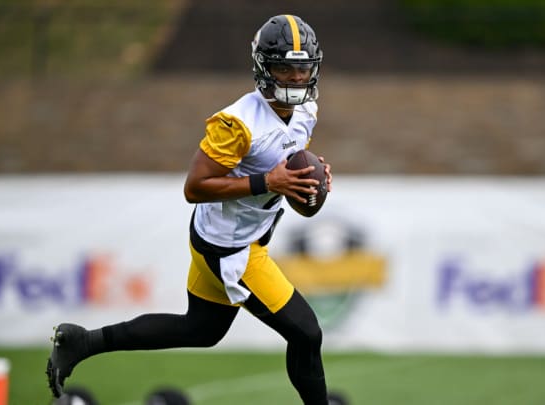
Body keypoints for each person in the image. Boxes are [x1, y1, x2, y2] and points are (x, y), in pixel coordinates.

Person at [46, 14, 333, 405]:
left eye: (302, 69)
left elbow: (288, 166)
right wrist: (270, 183)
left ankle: (83, 342)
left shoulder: (306, 112)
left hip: (226, 236)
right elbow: (194, 187)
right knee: (306, 332)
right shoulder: (237, 124)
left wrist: (309, 180)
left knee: (201, 330)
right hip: (231, 248)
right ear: (264, 67)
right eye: (284, 67)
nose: (296, 78)